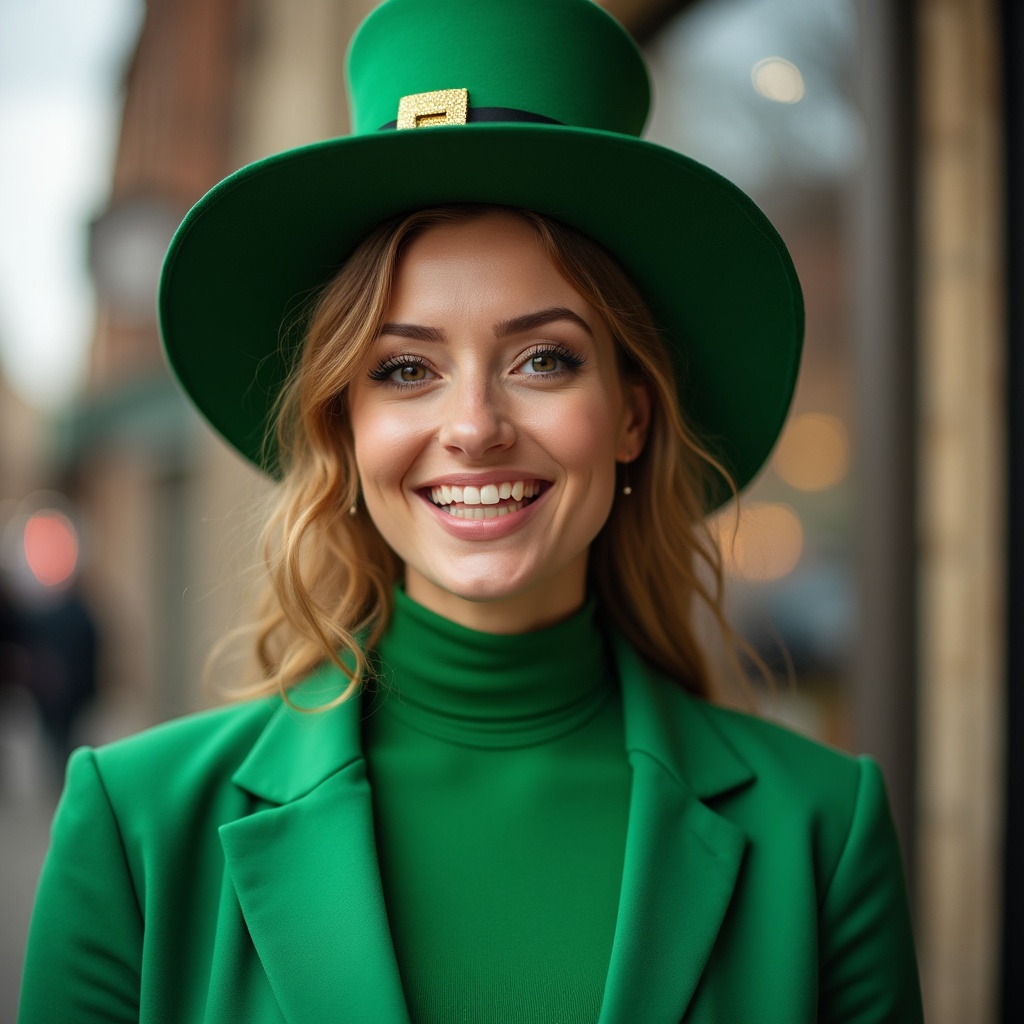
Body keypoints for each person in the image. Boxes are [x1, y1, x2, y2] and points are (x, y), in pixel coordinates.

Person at [19, 1, 923, 1021]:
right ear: (343, 427)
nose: (475, 427)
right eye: (405, 369)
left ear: (630, 415)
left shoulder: (822, 834)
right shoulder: (136, 830)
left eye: (544, 359)